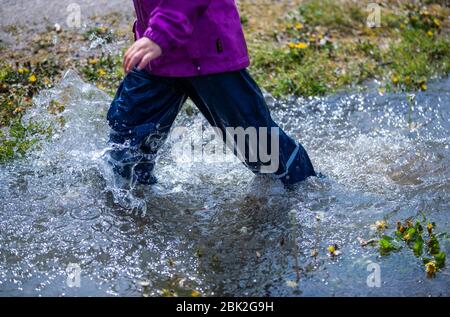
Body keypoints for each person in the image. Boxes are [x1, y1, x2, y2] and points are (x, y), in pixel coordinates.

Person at [106, 0, 316, 188]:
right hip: (156, 57)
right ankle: (131, 208)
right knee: (126, 146)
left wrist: (161, 33)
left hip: (208, 54)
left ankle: (307, 192)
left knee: (258, 144)